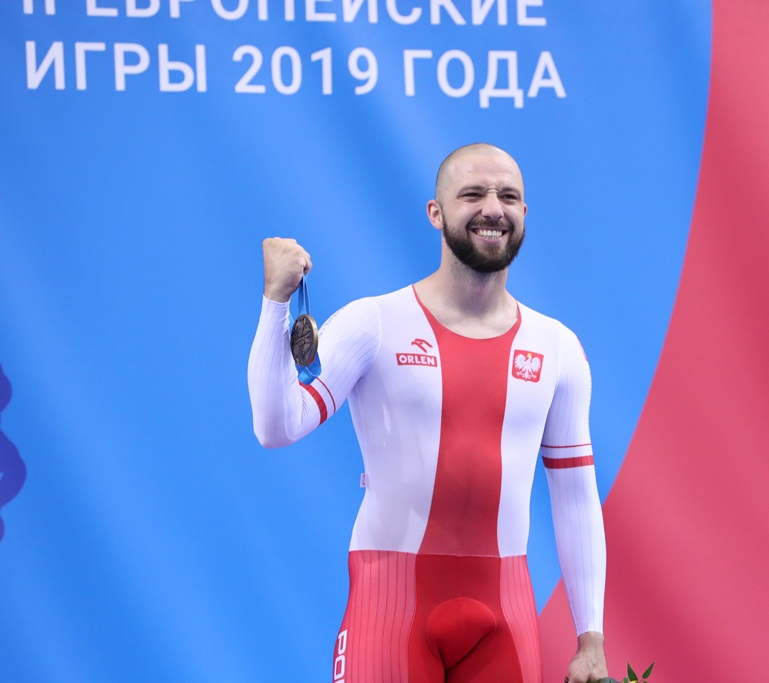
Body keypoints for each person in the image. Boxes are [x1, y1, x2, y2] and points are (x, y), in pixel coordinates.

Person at [247, 143, 608, 683]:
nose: (493, 209)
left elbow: (575, 495)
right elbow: (276, 427)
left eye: (508, 197)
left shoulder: (557, 347)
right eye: (473, 194)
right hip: (390, 606)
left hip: (505, 614)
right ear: (436, 213)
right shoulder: (373, 323)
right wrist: (276, 302)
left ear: (524, 213)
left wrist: (591, 639)